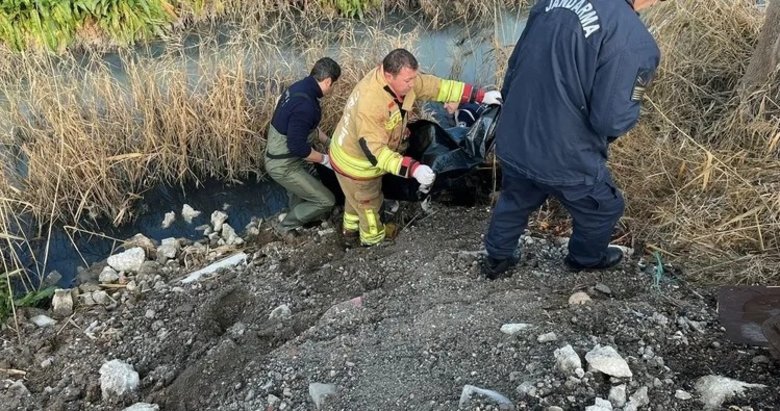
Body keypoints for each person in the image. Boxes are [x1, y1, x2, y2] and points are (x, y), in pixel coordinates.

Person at [482, 0, 663, 279]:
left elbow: (513, 68)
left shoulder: (549, 4)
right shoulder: (634, 39)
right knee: (604, 206)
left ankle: (497, 258)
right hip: (564, 151)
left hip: (516, 133)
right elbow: (610, 119)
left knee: (516, 195)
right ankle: (585, 259)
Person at [329, 48, 502, 246]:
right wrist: (413, 168)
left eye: (414, 78)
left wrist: (479, 96)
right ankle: (373, 242)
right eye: (408, 80)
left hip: (346, 152)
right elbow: (376, 154)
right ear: (388, 75)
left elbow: (439, 87)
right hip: (356, 164)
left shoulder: (402, 82)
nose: (413, 84)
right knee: (369, 203)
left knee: (354, 199)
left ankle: (349, 232)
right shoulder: (372, 104)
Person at [264, 57, 341, 235]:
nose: (333, 88)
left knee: (299, 194)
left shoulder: (300, 88)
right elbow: (298, 148)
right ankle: (285, 227)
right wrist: (326, 160)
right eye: (334, 84)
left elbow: (308, 129)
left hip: (281, 156)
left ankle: (303, 217)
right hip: (283, 164)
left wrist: (331, 144)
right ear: (328, 81)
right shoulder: (306, 105)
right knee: (326, 201)